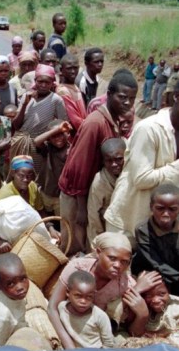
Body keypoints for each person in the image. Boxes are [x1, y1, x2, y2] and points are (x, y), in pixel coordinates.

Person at [59, 72, 138, 255]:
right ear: (109, 94)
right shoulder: (95, 123)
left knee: (89, 244)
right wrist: (81, 208)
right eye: (122, 97)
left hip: (90, 194)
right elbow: (79, 166)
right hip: (76, 196)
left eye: (132, 99)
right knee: (73, 246)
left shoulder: (113, 119)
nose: (128, 103)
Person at [47, 232, 159, 350]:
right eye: (112, 258)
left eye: (124, 261)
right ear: (98, 252)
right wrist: (69, 347)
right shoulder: (78, 268)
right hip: (69, 321)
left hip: (102, 333)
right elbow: (52, 308)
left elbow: (132, 332)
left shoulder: (126, 285)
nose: (118, 265)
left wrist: (143, 315)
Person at [105, 81, 179, 242]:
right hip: (129, 224)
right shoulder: (149, 129)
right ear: (176, 97)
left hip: (162, 228)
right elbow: (142, 178)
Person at [11, 63, 67, 174]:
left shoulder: (56, 100)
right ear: (35, 81)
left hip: (39, 146)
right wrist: (24, 105)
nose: (43, 85)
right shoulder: (26, 96)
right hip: (20, 142)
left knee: (35, 176)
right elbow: (16, 125)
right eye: (40, 82)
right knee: (18, 174)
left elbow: (63, 125)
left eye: (47, 82)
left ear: (52, 83)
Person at [132, 184, 179, 296]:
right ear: (151, 207)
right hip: (156, 272)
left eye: (172, 209)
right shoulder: (143, 230)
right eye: (160, 208)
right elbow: (156, 263)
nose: (166, 214)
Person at [58, 270, 115, 349]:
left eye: (89, 297)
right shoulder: (61, 308)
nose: (83, 301)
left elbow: (108, 344)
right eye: (78, 296)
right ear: (68, 292)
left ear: (94, 295)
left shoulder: (100, 316)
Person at [0, 253, 30, 348]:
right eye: (11, 284)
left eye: (23, 278)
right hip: (4, 338)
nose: (20, 287)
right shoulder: (3, 317)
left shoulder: (10, 293)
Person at [87, 138, 126, 246]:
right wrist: (99, 241)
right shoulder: (100, 181)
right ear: (103, 161)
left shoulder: (130, 175)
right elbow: (93, 215)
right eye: (109, 161)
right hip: (108, 228)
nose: (114, 164)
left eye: (118, 159)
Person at [34, 120, 71, 216]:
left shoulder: (70, 149)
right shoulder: (48, 148)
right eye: (54, 136)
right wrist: (58, 129)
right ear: (49, 139)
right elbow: (36, 141)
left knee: (61, 220)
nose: (58, 138)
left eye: (61, 134)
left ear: (67, 134)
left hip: (61, 196)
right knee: (45, 217)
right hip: (45, 193)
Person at [56, 54, 87, 132]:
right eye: (69, 69)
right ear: (61, 70)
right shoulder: (63, 91)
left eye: (75, 68)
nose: (73, 71)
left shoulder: (74, 86)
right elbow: (75, 121)